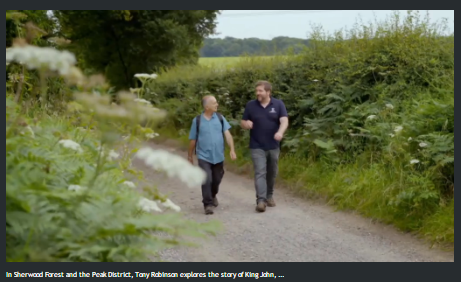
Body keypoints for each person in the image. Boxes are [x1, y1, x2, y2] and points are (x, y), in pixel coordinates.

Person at [240, 81, 289, 213]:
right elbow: (243, 122)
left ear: (268, 92)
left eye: (260, 91)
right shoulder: (251, 105)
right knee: (260, 172)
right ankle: (261, 200)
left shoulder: (278, 104)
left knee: (272, 172)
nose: (257, 93)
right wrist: (246, 124)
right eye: (257, 91)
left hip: (273, 145)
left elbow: (284, 120)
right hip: (256, 145)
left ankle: (269, 196)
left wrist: (280, 132)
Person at [188, 95, 237, 215]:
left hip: (218, 156)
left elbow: (228, 134)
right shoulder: (197, 120)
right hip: (204, 156)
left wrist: (232, 149)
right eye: (214, 103)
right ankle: (208, 204)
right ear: (206, 106)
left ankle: (213, 195)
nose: (217, 104)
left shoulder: (220, 118)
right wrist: (190, 155)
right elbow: (193, 139)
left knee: (216, 179)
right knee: (206, 179)